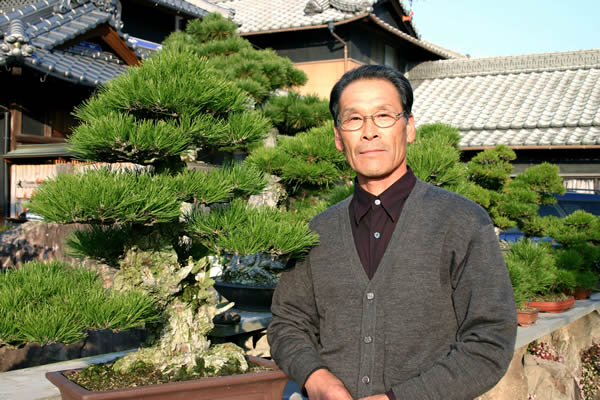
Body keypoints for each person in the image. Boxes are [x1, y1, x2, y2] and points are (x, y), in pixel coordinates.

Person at [267, 65, 517, 400]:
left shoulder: (462, 222)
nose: (369, 131)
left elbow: (490, 340)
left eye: (384, 115)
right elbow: (288, 323)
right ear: (339, 138)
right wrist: (318, 379)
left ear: (409, 128)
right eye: (354, 119)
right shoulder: (318, 231)